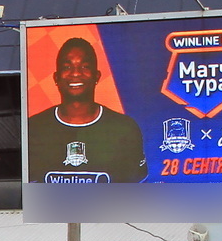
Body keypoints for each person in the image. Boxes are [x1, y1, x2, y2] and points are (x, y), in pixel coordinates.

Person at [28, 36, 147, 185]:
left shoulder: (124, 128)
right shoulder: (34, 128)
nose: (75, 73)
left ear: (97, 76)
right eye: (67, 67)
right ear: (56, 78)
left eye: (84, 66)